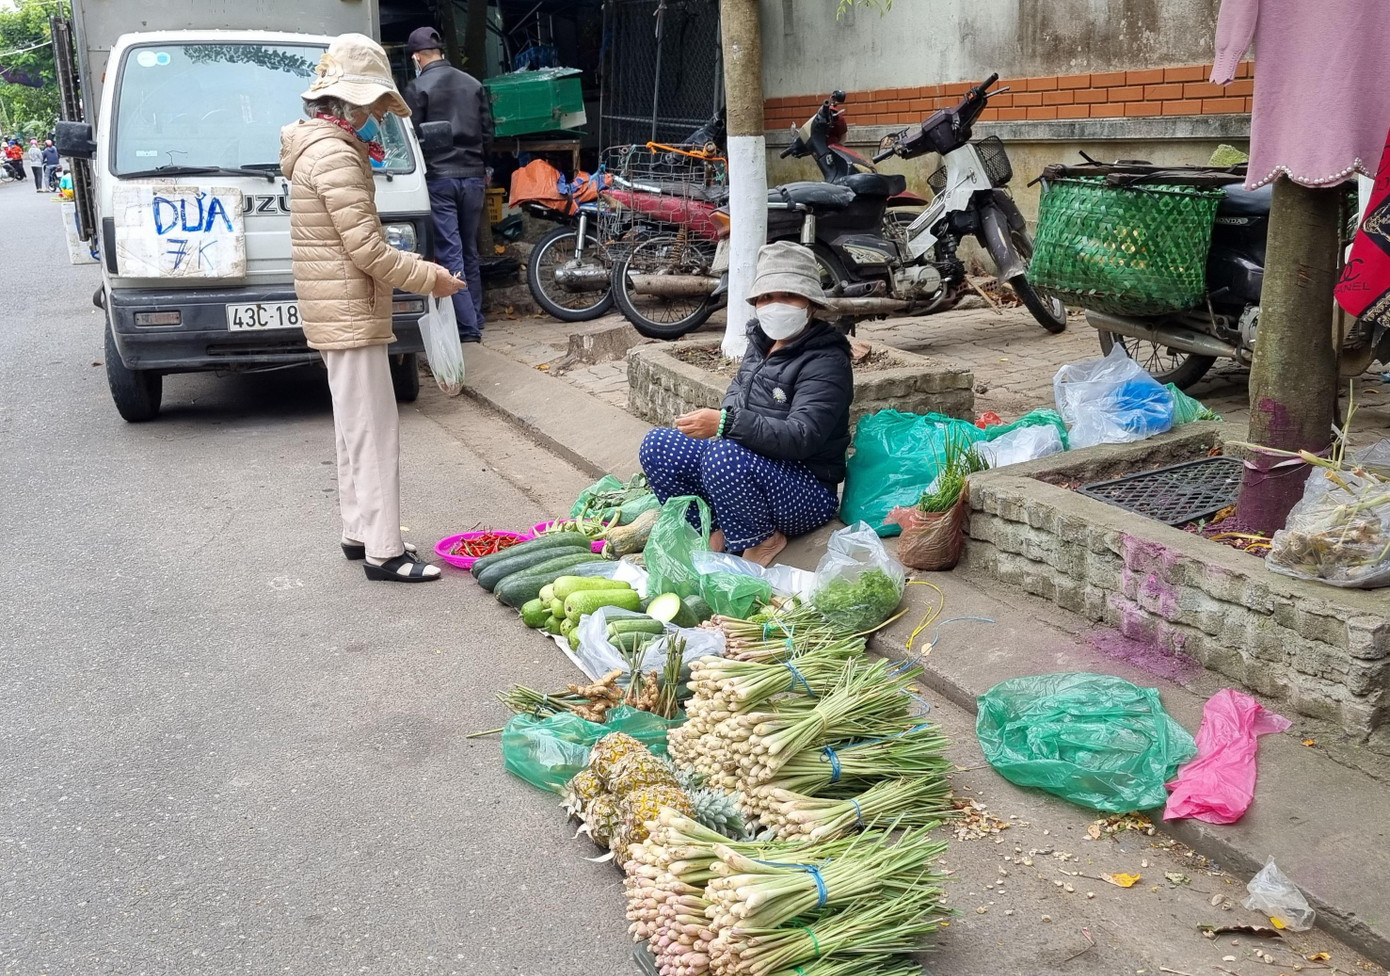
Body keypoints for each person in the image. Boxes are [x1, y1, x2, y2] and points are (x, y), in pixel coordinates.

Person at [280, 32, 465, 583]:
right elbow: (367, 250)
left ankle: (359, 531)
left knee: (354, 429)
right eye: (375, 107)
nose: (379, 117)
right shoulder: (336, 155)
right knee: (375, 432)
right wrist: (431, 278)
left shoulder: (320, 146)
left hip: (338, 307)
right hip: (349, 310)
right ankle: (385, 553)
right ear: (350, 105)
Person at [637, 241, 853, 566]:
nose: (775, 305)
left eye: (788, 296)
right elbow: (736, 394)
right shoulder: (761, 343)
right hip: (751, 464)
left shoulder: (827, 361)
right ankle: (716, 528)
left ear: (810, 303)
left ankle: (764, 539)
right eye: (766, 297)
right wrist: (724, 422)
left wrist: (726, 424)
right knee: (658, 445)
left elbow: (801, 435)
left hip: (807, 489)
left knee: (724, 456)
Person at [403, 25, 493, 342]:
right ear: (440, 52)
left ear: (416, 57)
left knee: (450, 251)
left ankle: (467, 327)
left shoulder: (417, 88)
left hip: (439, 178)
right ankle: (475, 316)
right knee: (469, 249)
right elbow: (487, 133)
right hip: (473, 176)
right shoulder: (473, 84)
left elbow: (411, 139)